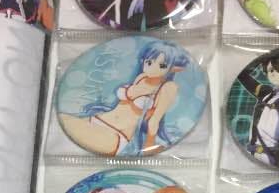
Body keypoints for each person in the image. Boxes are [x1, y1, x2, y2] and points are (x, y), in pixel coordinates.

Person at [59, 41, 189, 157]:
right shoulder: (142, 77)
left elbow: (154, 120)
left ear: (173, 68)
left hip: (115, 135)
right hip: (98, 119)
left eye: (162, 65)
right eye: (149, 62)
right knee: (62, 119)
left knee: (70, 128)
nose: (152, 68)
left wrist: (149, 146)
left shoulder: (168, 87)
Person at [236, 49, 279, 169]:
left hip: (272, 159)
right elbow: (243, 76)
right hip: (252, 154)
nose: (275, 73)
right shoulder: (267, 93)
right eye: (271, 70)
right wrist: (262, 58)